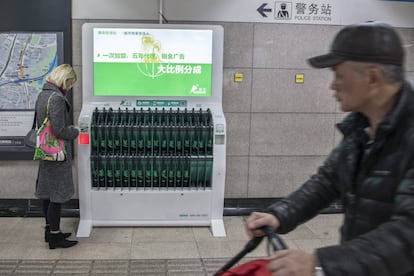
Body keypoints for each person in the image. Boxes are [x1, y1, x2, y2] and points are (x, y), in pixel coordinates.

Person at [245, 21, 414, 276]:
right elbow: (327, 181)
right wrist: (280, 214)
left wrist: (320, 263)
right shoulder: (361, 127)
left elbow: (408, 233)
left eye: (338, 75)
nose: (332, 86)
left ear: (372, 77)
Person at [34, 64, 80, 249]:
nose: (69, 87)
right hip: (56, 154)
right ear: (64, 79)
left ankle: (50, 230)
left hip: (45, 151)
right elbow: (59, 130)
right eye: (70, 82)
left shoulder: (43, 94)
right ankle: (55, 237)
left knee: (47, 194)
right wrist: (75, 131)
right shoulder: (57, 98)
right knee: (56, 196)